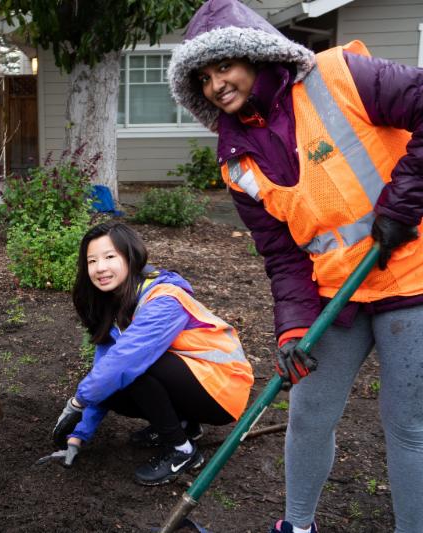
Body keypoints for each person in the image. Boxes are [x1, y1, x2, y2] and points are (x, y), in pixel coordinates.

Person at [167, 1, 423, 531]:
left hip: (411, 273)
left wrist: (402, 206)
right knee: (308, 415)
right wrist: (293, 329)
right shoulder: (237, 157)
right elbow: (281, 254)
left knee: (408, 427)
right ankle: (297, 526)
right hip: (339, 295)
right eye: (204, 76)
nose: (217, 84)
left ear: (255, 56)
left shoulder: (338, 76)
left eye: (224, 66)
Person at [40, 222, 254, 486]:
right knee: (111, 384)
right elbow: (104, 369)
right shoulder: (117, 304)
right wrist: (79, 435)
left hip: (223, 390)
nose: (100, 268)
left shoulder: (165, 299)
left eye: (109, 257)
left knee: (132, 369)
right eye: (91, 260)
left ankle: (182, 451)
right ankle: (184, 426)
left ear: (131, 257)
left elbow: (124, 362)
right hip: (195, 382)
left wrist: (77, 403)